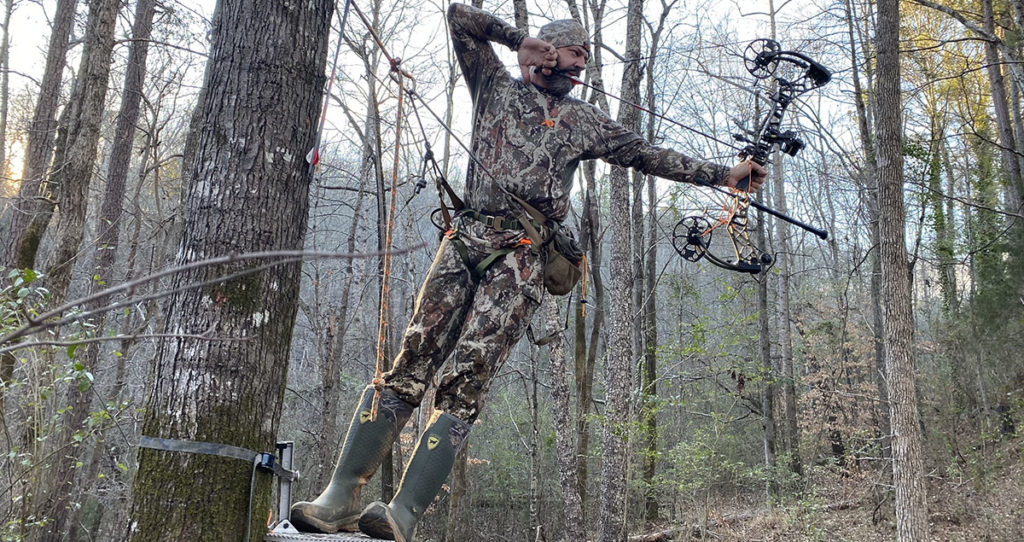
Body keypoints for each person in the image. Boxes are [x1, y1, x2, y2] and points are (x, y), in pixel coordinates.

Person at [289, 3, 767, 541]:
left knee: (466, 379)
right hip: (464, 242)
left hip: (521, 259)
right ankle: (339, 497)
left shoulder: (582, 119)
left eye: (584, 61)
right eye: (573, 56)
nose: (579, 68)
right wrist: (517, 39)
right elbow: (459, 17)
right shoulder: (494, 82)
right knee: (409, 362)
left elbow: (646, 154)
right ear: (547, 51)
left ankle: (402, 513)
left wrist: (724, 174)